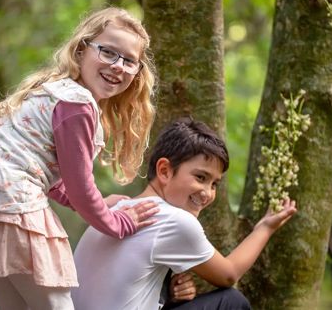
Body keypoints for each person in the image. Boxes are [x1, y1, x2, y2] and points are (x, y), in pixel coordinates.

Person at [0, 7, 161, 310]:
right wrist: (116, 223)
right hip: (11, 202)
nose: (118, 66)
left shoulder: (55, 91)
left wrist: (98, 201)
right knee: (56, 305)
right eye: (108, 52)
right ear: (82, 50)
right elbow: (80, 185)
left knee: (15, 306)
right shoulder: (76, 103)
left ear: (138, 72)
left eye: (129, 60)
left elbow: (53, 178)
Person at [72, 118, 298, 310]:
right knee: (231, 302)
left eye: (214, 184)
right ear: (164, 171)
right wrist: (265, 228)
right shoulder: (174, 220)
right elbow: (228, 274)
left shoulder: (117, 208)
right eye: (200, 177)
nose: (207, 193)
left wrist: (167, 297)